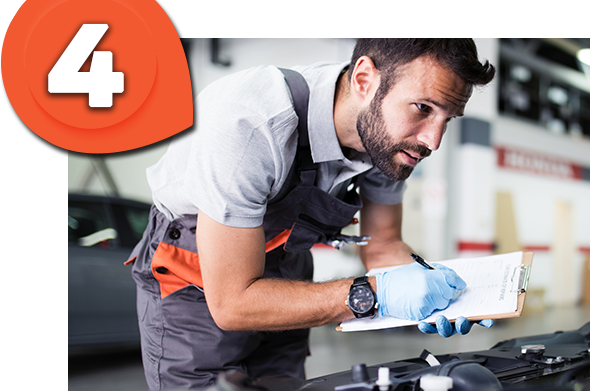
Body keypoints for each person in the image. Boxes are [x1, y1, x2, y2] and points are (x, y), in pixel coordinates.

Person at [125, 37, 496, 390]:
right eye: (423, 108)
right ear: (365, 79)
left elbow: (383, 245)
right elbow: (232, 302)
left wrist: (435, 292)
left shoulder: (390, 143)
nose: (432, 140)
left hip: (288, 267)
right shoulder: (251, 124)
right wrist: (374, 295)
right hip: (196, 277)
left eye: (448, 119)